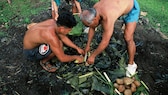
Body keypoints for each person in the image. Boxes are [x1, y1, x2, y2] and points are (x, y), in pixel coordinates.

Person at [80, 0, 140, 77]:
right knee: (96, 26)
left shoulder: (107, 17)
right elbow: (92, 27)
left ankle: (131, 64)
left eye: (89, 24)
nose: (90, 27)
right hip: (118, 7)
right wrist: (88, 45)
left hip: (131, 9)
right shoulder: (95, 8)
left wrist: (92, 56)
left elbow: (105, 41)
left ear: (95, 19)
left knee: (128, 38)